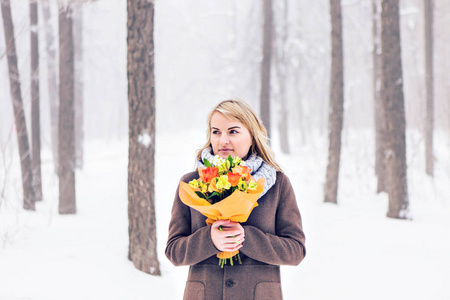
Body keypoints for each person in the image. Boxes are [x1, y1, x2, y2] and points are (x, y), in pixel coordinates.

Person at [165, 99, 306, 300]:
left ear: (252, 136)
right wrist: (209, 239)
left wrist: (246, 238)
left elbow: (295, 251)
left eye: (233, 131)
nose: (223, 140)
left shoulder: (278, 184)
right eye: (216, 132)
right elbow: (174, 251)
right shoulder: (191, 183)